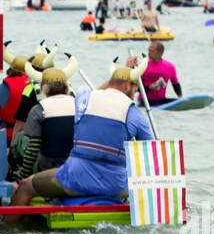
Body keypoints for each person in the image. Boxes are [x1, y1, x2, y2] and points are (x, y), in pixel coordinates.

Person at [8, 63, 153, 209]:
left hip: (76, 179)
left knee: (26, 186)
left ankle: (10, 229)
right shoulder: (135, 114)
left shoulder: (85, 97)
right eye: (135, 90)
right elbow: (151, 153)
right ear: (127, 86)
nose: (135, 94)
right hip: (116, 187)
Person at [12, 66, 76, 182]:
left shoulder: (38, 109)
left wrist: (22, 177)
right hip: (75, 167)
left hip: (48, 170)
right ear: (67, 87)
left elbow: (33, 150)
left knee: (21, 138)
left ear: (44, 88)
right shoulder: (79, 106)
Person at [139, 41, 182, 107]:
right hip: (144, 102)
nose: (148, 53)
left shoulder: (170, 67)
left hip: (161, 101)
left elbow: (175, 84)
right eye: (148, 50)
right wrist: (149, 88)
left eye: (151, 51)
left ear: (160, 52)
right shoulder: (143, 66)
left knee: (179, 102)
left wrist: (180, 96)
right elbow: (135, 87)